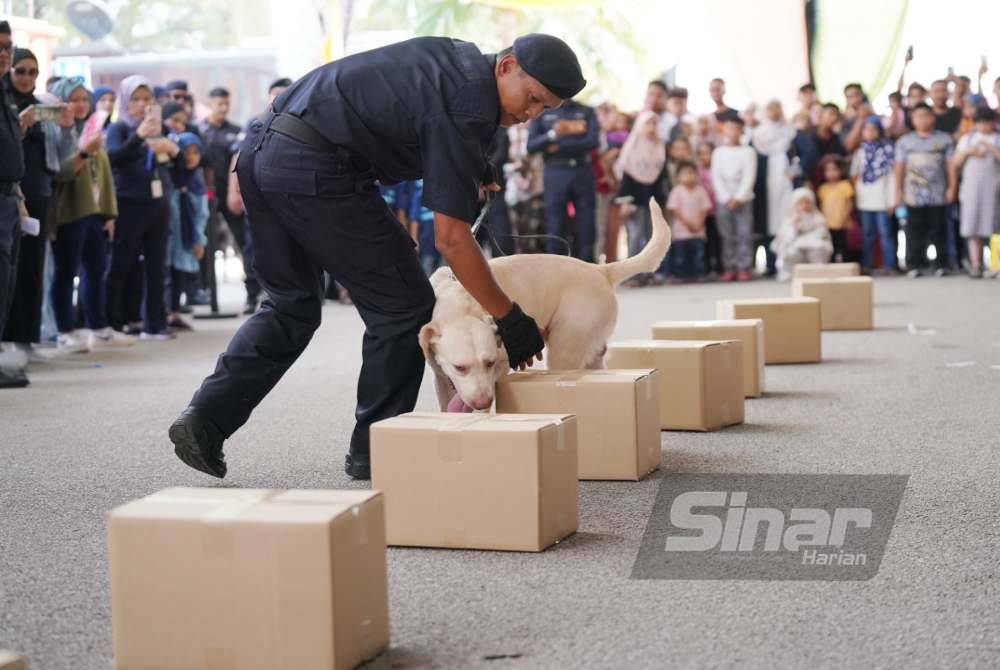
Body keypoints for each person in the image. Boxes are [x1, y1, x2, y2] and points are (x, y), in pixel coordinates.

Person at [169, 34, 582, 481]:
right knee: (404, 306)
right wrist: (510, 318)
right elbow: (452, 240)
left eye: (544, 110)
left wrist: (468, 165)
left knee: (290, 305)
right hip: (317, 167)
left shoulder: (456, 61)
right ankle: (377, 448)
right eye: (533, 98)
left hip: (261, 152)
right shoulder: (468, 104)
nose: (530, 115)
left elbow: (401, 111)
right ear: (506, 67)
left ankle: (204, 419)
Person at [48, 78, 130, 351]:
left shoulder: (95, 129)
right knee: (65, 272)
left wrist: (109, 212)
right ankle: (65, 330)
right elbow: (59, 172)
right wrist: (83, 153)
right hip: (70, 212)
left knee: (95, 271)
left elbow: (103, 175)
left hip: (96, 212)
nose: (81, 105)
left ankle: (98, 327)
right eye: (74, 99)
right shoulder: (56, 132)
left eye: (84, 99)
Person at [105, 75, 179, 338]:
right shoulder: (119, 127)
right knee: (121, 263)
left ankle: (155, 324)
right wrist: (138, 137)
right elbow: (113, 158)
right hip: (128, 202)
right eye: (136, 99)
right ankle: (111, 323)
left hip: (158, 203)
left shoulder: (162, 128)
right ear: (126, 100)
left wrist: (173, 149)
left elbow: (182, 164)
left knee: (157, 266)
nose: (142, 104)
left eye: (147, 98)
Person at [2, 47, 58, 354]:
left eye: (32, 72)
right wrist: (18, 127)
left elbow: (58, 157)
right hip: (12, 194)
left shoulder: (43, 106)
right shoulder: (6, 105)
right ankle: (6, 337)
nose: (26, 78)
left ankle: (26, 337)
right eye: (20, 71)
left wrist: (66, 126)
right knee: (9, 268)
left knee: (33, 267)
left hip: (41, 195)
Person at [527, 96, 599, 261]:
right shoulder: (543, 112)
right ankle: (557, 272)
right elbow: (531, 146)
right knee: (556, 224)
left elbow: (592, 141)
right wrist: (553, 134)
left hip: (582, 171)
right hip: (555, 172)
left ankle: (588, 269)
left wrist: (559, 146)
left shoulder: (586, 111)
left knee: (586, 224)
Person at [0, 21, 31, 388]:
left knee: (6, 281)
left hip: (9, 197)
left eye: (8, 46)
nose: (5, 53)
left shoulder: (5, 91)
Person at [894, 102, 956, 277]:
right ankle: (914, 264)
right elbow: (899, 167)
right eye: (918, 116)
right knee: (914, 229)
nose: (923, 120)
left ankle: (941, 264)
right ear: (912, 119)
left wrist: (952, 187)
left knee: (939, 228)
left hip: (938, 192)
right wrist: (898, 190)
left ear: (932, 117)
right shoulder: (905, 142)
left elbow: (950, 166)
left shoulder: (944, 139)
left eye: (926, 115)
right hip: (913, 193)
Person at [613, 110, 666, 286]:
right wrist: (625, 201)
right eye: (648, 124)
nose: (651, 128)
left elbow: (660, 177)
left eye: (654, 124)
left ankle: (648, 274)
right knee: (635, 236)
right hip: (633, 201)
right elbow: (626, 177)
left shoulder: (659, 147)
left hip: (652, 201)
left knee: (652, 236)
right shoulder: (632, 147)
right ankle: (632, 275)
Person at [951, 107, 1000, 278]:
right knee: (972, 226)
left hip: (993, 189)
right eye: (980, 123)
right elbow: (955, 162)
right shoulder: (968, 138)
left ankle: (996, 265)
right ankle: (976, 264)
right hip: (971, 188)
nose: (984, 126)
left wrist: (990, 146)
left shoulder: (997, 138)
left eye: (988, 122)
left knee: (995, 227)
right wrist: (968, 151)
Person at [167, 132, 209, 327]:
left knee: (179, 276)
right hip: (168, 237)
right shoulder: (169, 178)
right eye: (186, 152)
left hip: (186, 239)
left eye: (195, 152)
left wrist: (199, 239)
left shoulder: (197, 181)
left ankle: (174, 312)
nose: (191, 157)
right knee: (164, 275)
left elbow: (202, 214)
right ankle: (162, 313)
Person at [751, 100, 795, 276]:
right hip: (764, 184)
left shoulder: (791, 131)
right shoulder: (758, 134)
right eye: (769, 108)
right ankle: (769, 264)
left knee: (785, 220)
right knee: (767, 222)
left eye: (776, 108)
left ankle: (787, 264)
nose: (773, 112)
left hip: (785, 182)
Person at [711, 116, 757, 281]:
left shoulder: (748, 152)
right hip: (723, 200)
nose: (732, 132)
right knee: (727, 235)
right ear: (724, 130)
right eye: (729, 128)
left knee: (744, 234)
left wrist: (738, 197)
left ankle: (744, 267)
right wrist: (725, 197)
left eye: (736, 128)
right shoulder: (718, 152)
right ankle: (729, 267)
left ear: (741, 130)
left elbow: (749, 176)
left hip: (744, 200)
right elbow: (716, 176)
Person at [850, 117, 896, 273]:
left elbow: (892, 177)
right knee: (868, 234)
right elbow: (855, 175)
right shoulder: (860, 152)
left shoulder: (887, 151)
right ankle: (867, 264)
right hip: (865, 199)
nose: (870, 132)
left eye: (874, 129)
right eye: (867, 129)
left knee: (885, 234)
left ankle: (889, 265)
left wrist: (892, 200)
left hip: (883, 199)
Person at [773, 187, 832, 279]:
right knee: (790, 252)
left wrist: (808, 234)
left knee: (819, 249)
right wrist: (794, 226)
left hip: (813, 245)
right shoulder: (790, 219)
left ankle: (817, 273)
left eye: (807, 202)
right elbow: (785, 238)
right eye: (800, 203)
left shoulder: (818, 218)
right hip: (795, 246)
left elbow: (822, 234)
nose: (804, 206)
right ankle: (788, 272)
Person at [666, 160, 710, 282]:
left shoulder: (701, 191)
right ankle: (681, 276)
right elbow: (675, 210)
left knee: (698, 256)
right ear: (678, 177)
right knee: (681, 256)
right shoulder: (677, 191)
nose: (689, 176)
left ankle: (698, 274)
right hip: (681, 233)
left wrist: (699, 223)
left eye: (691, 173)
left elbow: (704, 209)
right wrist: (688, 223)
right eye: (685, 173)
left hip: (698, 231)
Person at [790, 103, 847, 188]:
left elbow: (843, 157)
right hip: (808, 184)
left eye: (836, 115)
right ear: (821, 114)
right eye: (831, 114)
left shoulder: (836, 139)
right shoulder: (806, 135)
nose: (834, 118)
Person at [817, 156, 854, 262]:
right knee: (830, 246)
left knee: (843, 245)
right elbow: (821, 206)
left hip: (843, 222)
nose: (831, 173)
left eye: (834, 169)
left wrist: (847, 217)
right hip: (828, 223)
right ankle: (831, 263)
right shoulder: (822, 188)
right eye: (828, 170)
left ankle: (845, 263)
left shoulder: (845, 185)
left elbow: (849, 203)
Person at [695, 141, 721, 276]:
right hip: (703, 212)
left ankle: (718, 266)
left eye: (708, 153)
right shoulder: (697, 171)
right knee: (705, 240)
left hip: (717, 209)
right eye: (702, 154)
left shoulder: (719, 168)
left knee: (717, 238)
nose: (706, 156)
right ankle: (705, 267)